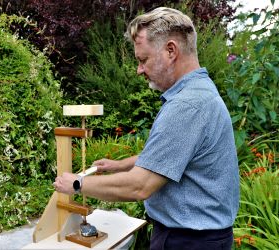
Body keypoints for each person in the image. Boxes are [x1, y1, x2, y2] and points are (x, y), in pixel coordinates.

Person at [53, 7, 239, 250]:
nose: (139, 69)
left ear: (171, 50)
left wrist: (77, 184)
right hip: (201, 238)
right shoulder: (200, 90)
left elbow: (139, 185)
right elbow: (175, 158)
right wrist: (120, 165)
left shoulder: (186, 105)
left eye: (143, 59)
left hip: (188, 242)